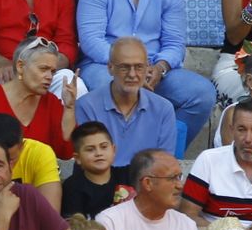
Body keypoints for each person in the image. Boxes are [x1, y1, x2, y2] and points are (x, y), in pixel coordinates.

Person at [78, 0, 217, 143]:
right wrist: (128, 69)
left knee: (201, 94)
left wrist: (160, 67)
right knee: (110, 85)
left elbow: (174, 43)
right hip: (106, 67)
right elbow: (91, 40)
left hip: (153, 70)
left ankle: (165, 154)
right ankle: (119, 157)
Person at [181, 100, 252, 227]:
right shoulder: (208, 160)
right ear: (232, 130)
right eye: (241, 129)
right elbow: (187, 216)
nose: (247, 139)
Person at [0, 40, 75, 159]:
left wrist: (69, 108)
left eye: (53, 71)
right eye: (43, 69)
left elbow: (65, 152)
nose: (49, 77)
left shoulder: (51, 102)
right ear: (20, 66)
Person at [73, 37, 176, 167]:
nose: (132, 74)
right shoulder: (87, 106)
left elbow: (164, 164)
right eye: (124, 67)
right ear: (110, 68)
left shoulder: (163, 109)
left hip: (145, 183)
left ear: (147, 68)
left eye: (139, 67)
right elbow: (89, 164)